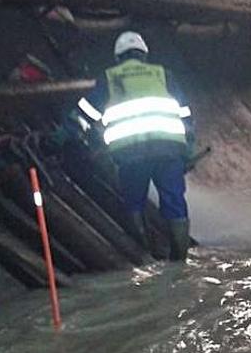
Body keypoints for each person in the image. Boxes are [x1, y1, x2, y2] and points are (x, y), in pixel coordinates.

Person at [73, 31, 194, 261]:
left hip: (131, 155)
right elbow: (186, 115)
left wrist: (61, 136)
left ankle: (144, 254)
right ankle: (179, 260)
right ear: (144, 54)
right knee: (174, 200)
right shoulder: (163, 75)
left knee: (134, 202)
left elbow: (85, 114)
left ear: (118, 57)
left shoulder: (110, 77)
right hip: (168, 151)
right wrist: (187, 150)